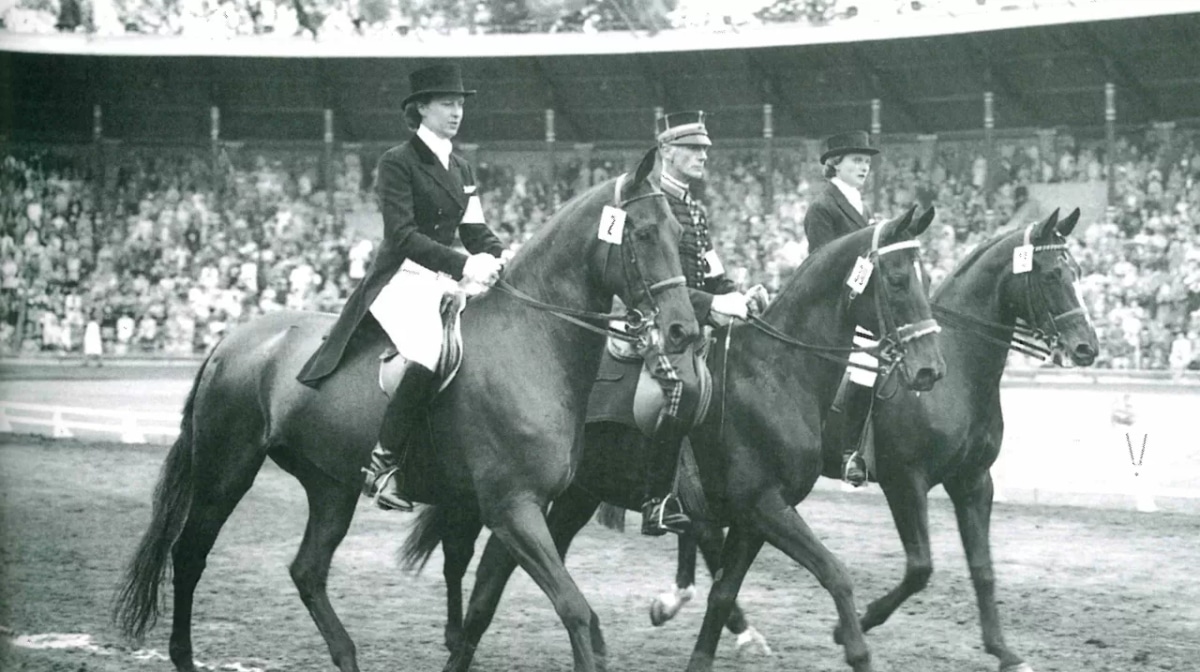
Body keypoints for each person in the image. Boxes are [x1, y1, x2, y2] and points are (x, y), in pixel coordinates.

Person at [297, 63, 505, 511]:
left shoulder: (462, 165)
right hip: (402, 278)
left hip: (444, 279)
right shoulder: (398, 161)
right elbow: (403, 236)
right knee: (430, 352)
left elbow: (476, 229)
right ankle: (382, 463)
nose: (456, 112)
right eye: (447, 104)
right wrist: (467, 263)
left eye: (460, 104)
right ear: (422, 108)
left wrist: (502, 255)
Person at [637, 110, 766, 535]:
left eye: (705, 150)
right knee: (685, 387)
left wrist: (738, 293)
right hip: (657, 320)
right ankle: (656, 499)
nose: (702, 156)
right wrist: (713, 303)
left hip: (693, 320)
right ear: (666, 151)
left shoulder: (694, 209)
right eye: (693, 148)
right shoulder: (649, 201)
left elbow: (712, 271)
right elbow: (650, 282)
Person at [802, 130, 880, 487]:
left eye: (866, 161)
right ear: (836, 164)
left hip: (862, 302)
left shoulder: (863, 207)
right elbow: (826, 267)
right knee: (867, 363)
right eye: (857, 161)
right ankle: (851, 451)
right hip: (835, 307)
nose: (864, 167)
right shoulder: (823, 206)